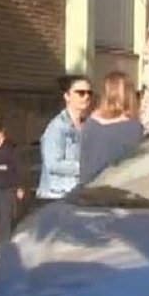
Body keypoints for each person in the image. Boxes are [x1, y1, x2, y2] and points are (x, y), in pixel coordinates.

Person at [78, 70, 147, 185]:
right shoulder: (133, 128)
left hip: (87, 194)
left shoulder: (90, 124)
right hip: (116, 195)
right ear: (130, 96)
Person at [35, 73, 92, 204]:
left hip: (77, 195)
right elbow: (53, 164)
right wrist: (85, 167)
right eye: (81, 93)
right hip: (56, 197)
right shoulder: (57, 127)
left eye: (89, 93)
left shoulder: (88, 126)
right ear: (67, 96)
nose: (86, 97)